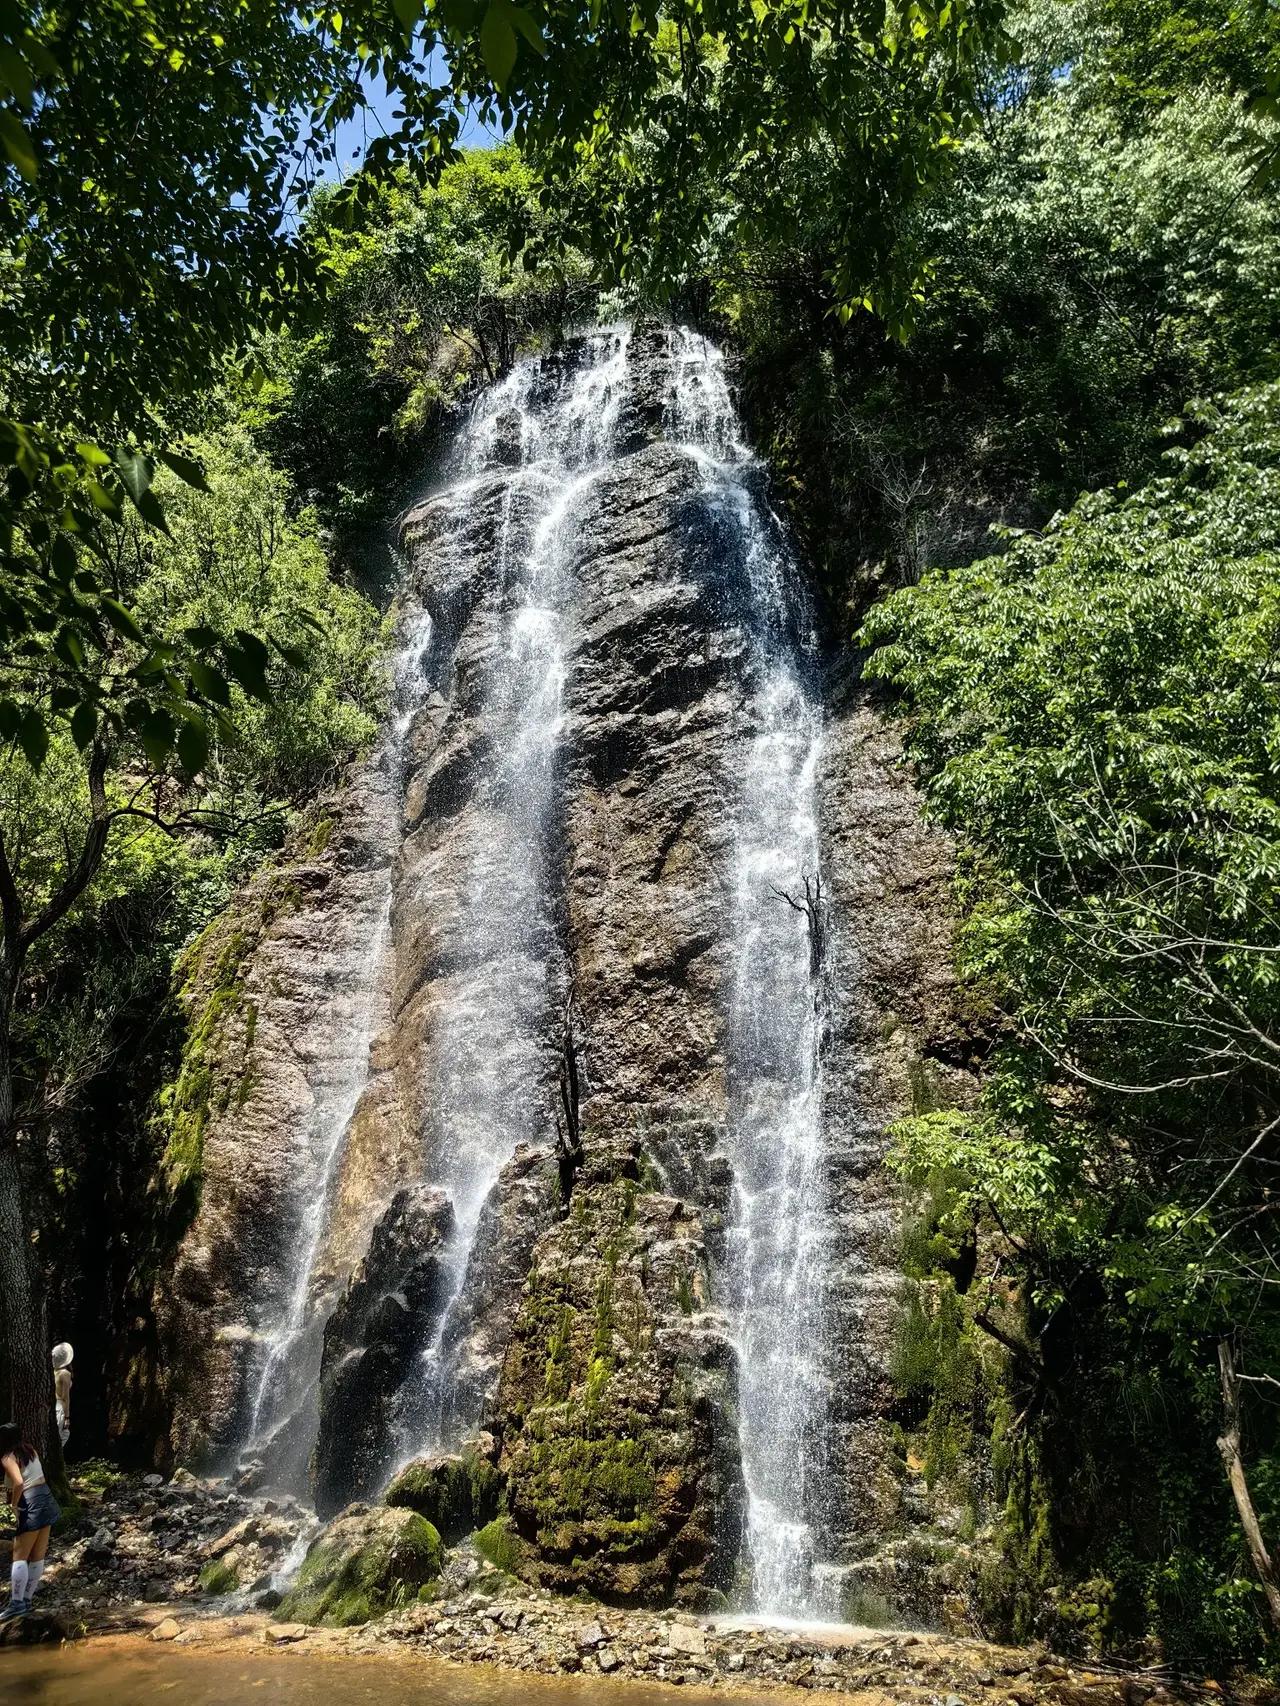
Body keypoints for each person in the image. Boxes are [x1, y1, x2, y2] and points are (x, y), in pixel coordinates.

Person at [0, 1422, 60, 1622]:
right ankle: (26, 1601)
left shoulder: (8, 1457)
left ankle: (16, 1604)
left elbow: (18, 1482)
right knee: (37, 1556)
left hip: (31, 1501)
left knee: (19, 1556)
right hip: (46, 1496)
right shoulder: (30, 1450)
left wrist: (14, 1505)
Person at [51, 1344, 73, 1449]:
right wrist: (67, 1417)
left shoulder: (54, 1372)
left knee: (62, 1434)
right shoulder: (65, 1374)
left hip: (53, 1405)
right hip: (60, 1407)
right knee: (62, 1435)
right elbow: (65, 1397)